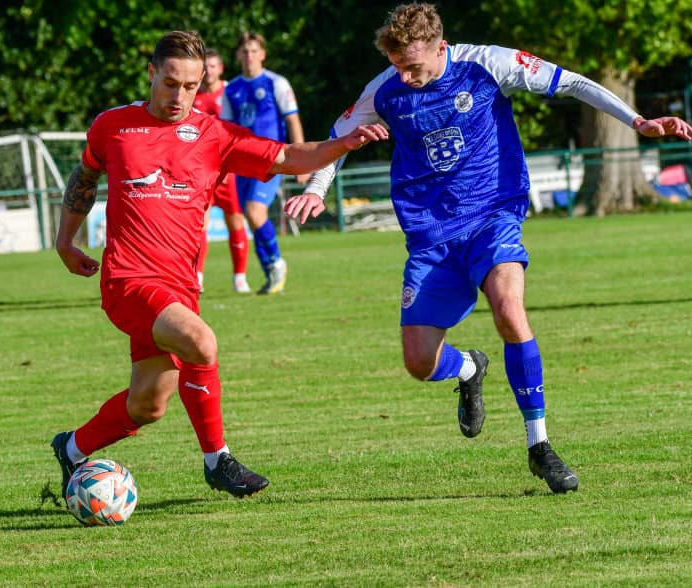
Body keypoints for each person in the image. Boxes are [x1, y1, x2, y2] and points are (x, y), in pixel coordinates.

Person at [285, 3, 692, 494]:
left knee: (508, 309)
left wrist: (637, 121)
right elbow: (338, 137)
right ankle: (469, 367)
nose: (405, 76)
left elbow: (571, 82)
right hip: (430, 236)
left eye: (412, 66)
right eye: (396, 66)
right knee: (418, 362)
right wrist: (317, 188)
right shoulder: (385, 88)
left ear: (440, 46)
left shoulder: (488, 63)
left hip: (491, 217)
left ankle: (539, 445)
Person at [51, 30, 388, 499]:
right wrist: (65, 241)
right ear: (151, 74)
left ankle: (71, 448)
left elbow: (287, 156)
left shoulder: (214, 135)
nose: (180, 96)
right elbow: (85, 175)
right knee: (201, 342)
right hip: (128, 280)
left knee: (148, 404)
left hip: (180, 289)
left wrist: (344, 143)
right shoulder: (113, 125)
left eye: (190, 86)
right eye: (171, 83)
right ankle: (218, 460)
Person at [221, 32, 308, 295]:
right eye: (244, 50)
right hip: (242, 161)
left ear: (262, 54)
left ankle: (277, 263)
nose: (249, 55)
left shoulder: (276, 83)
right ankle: (271, 271)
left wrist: (302, 161)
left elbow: (292, 120)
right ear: (238, 55)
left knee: (254, 211)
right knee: (251, 217)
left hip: (271, 159)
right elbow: (226, 129)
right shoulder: (232, 89)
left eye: (253, 50)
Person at [193, 47, 252, 294]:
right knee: (199, 224)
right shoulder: (192, 95)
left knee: (235, 221)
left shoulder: (230, 93)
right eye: (205, 66)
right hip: (201, 171)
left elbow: (239, 131)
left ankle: (240, 277)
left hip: (229, 169)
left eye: (213, 66)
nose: (209, 71)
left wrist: (231, 163)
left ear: (221, 69)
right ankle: (197, 276)